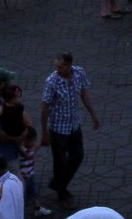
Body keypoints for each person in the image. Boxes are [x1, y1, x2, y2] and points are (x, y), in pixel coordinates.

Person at [39, 50, 99, 204]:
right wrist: (44, 133)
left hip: (74, 124)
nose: (57, 70)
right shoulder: (51, 82)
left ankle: (58, 183)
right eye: (56, 67)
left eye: (60, 67)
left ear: (69, 66)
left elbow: (84, 93)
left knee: (78, 155)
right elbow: (44, 107)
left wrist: (93, 115)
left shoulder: (79, 73)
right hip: (58, 128)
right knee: (59, 161)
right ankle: (62, 192)